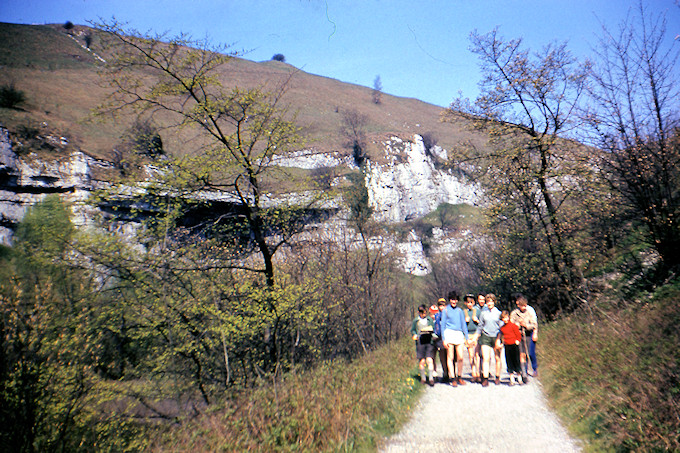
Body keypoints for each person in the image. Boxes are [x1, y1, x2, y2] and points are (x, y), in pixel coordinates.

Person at [472, 293, 502, 387]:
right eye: (488, 301)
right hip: (485, 336)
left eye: (491, 301)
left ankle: (497, 376)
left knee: (497, 358)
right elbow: (480, 326)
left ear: (494, 302)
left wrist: (499, 339)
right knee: (486, 358)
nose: (489, 303)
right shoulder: (483, 313)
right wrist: (475, 336)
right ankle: (485, 378)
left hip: (496, 336)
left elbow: (501, 328)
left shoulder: (498, 313)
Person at [440, 290, 469, 387]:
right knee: (450, 357)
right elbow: (442, 325)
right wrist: (444, 339)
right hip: (449, 334)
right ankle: (452, 378)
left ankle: (459, 376)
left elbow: (463, 324)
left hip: (458, 334)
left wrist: (467, 337)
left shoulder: (460, 311)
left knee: (460, 357)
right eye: (452, 299)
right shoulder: (445, 310)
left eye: (455, 299)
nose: (454, 301)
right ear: (449, 300)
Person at [511, 294, 539, 379]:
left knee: (530, 352)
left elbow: (534, 324)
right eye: (522, 305)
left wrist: (526, 325)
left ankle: (534, 368)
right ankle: (524, 371)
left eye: (525, 305)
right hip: (518, 335)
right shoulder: (514, 313)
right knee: (521, 353)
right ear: (518, 305)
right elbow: (511, 324)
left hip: (527, 334)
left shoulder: (529, 312)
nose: (524, 307)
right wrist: (519, 324)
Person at [411, 304, 436, 386]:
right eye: (422, 313)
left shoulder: (429, 319)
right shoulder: (416, 320)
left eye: (425, 313)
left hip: (429, 341)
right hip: (420, 342)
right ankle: (423, 378)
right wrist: (414, 335)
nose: (423, 314)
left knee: (429, 360)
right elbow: (413, 330)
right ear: (418, 312)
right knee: (422, 361)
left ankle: (431, 378)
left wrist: (431, 331)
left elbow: (433, 328)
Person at [499, 310, 523, 385]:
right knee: (509, 361)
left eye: (506, 318)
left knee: (516, 360)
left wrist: (518, 340)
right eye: (503, 318)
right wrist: (502, 343)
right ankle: (511, 379)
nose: (505, 319)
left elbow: (518, 334)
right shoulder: (502, 328)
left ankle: (519, 378)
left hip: (514, 345)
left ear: (508, 317)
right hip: (507, 345)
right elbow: (502, 337)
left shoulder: (513, 326)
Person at [463, 294, 481, 383]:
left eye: (471, 302)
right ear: (465, 303)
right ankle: (473, 372)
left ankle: (478, 373)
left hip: (476, 334)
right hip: (468, 335)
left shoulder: (477, 311)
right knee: (471, 355)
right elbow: (462, 325)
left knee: (477, 354)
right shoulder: (464, 312)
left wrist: (476, 320)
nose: (470, 304)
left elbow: (481, 324)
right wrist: (465, 321)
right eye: (468, 302)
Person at [432, 298, 449, 382]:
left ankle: (448, 373)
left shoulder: (447, 314)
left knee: (447, 356)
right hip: (438, 338)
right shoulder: (436, 315)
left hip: (446, 337)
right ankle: (441, 373)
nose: (441, 307)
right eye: (440, 305)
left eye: (443, 305)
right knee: (439, 355)